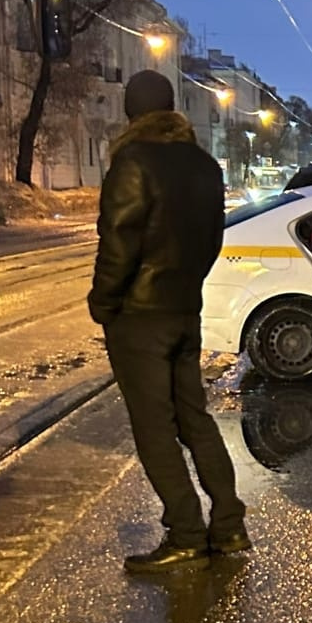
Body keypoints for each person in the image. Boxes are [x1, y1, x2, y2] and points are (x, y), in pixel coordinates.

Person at [89, 70, 249, 575]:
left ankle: (184, 533)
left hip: (139, 318)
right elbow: (211, 239)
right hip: (184, 310)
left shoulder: (132, 162)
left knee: (154, 428)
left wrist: (104, 302)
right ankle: (228, 525)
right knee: (194, 418)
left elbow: (118, 243)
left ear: (131, 112)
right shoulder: (203, 165)